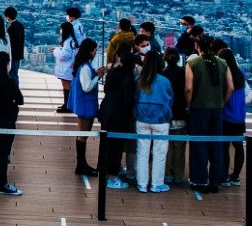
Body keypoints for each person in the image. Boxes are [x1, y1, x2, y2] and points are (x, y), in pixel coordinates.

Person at [185, 35, 234, 193]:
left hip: (198, 108)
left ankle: (200, 181)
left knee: (199, 145)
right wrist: (222, 101)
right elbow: (231, 88)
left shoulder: (192, 63)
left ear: (197, 46)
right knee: (216, 145)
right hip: (217, 109)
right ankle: (216, 180)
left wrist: (189, 105)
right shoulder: (222, 63)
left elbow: (189, 89)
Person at [133, 51, 173, 194]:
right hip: (161, 120)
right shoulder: (164, 81)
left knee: (142, 152)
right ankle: (157, 184)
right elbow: (170, 100)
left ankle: (142, 184)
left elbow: (135, 97)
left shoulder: (139, 79)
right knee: (159, 153)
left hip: (142, 118)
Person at [0, 52, 24, 196]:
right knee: (3, 151)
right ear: (6, 64)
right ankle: (2, 184)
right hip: (6, 120)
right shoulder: (9, 82)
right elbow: (20, 99)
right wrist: (12, 101)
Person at [98, 42, 135, 189]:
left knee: (106, 144)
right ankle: (113, 178)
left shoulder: (113, 72)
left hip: (107, 111)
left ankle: (105, 172)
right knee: (116, 146)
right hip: (119, 115)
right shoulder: (128, 79)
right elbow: (128, 99)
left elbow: (107, 89)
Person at [68, 38, 106, 179]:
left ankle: (82, 164)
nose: (95, 53)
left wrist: (95, 74)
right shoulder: (84, 67)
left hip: (83, 104)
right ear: (89, 51)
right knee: (83, 135)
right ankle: (81, 165)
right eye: (95, 50)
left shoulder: (83, 66)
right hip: (86, 105)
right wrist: (98, 76)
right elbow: (87, 86)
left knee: (83, 134)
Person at [216, 47, 247, 187]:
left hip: (227, 115)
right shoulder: (240, 73)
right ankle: (236, 176)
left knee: (224, 146)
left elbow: (227, 92)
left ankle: (225, 176)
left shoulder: (224, 73)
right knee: (239, 146)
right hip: (240, 115)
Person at [161, 47, 187, 185]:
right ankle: (178, 175)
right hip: (181, 113)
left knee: (167, 145)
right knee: (179, 146)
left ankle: (167, 173)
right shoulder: (184, 73)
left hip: (166, 114)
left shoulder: (162, 74)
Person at [52, 22, 78, 113]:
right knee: (66, 86)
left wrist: (56, 50)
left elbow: (64, 55)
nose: (60, 30)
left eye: (61, 29)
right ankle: (66, 104)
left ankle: (67, 106)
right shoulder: (71, 40)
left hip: (66, 68)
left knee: (67, 87)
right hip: (68, 67)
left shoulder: (68, 41)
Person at [4, 7, 25, 87]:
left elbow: (10, 44)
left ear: (8, 17)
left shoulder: (11, 28)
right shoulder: (20, 25)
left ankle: (15, 93)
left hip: (12, 55)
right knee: (15, 73)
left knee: (12, 74)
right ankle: (16, 93)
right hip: (18, 54)